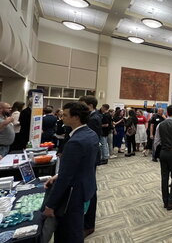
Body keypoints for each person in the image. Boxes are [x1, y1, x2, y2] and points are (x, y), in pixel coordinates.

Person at [43, 102, 99, 243]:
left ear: (76, 117)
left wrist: (50, 205)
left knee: (68, 232)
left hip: (73, 193)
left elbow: (66, 178)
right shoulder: (91, 134)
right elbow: (83, 164)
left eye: (65, 115)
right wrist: (58, 175)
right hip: (86, 186)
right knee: (75, 227)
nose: (62, 118)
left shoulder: (76, 141)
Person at [78, 95, 101, 237]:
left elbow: (92, 141)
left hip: (88, 160)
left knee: (90, 189)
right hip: (87, 159)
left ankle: (88, 225)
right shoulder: (92, 117)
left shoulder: (93, 119)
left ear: (90, 105)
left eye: (82, 105)